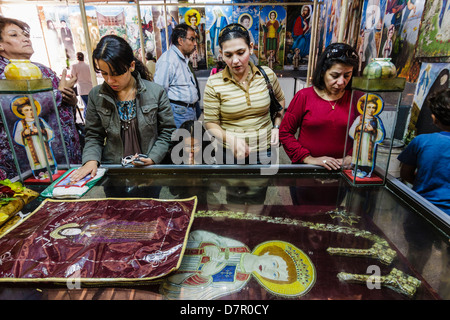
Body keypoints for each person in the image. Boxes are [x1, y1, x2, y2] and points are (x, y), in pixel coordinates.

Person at [69, 35, 176, 183]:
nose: (110, 80)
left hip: (149, 171)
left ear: (131, 66)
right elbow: (94, 135)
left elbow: (167, 131)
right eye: (104, 73)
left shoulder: (155, 92)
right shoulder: (96, 95)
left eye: (116, 73)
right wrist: (91, 160)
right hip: (114, 171)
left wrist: (153, 157)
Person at [0, 16, 81, 180]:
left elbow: (61, 104)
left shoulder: (42, 70)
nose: (25, 39)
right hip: (25, 164)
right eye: (14, 35)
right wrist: (58, 94)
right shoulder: (3, 74)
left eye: (25, 34)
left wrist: (70, 99)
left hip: (63, 157)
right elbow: (12, 109)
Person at [203, 23, 285, 164]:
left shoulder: (267, 75)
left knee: (260, 185)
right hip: (229, 152)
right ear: (221, 54)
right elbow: (211, 123)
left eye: (241, 53)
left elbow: (280, 101)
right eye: (228, 55)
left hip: (264, 150)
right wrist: (231, 139)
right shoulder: (214, 83)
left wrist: (276, 126)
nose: (235, 61)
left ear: (251, 48)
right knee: (233, 185)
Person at [279, 42, 360, 170]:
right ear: (322, 72)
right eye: (335, 75)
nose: (341, 82)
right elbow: (285, 132)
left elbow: (366, 135)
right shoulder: (304, 96)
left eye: (347, 75)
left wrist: (352, 156)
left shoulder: (357, 99)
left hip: (343, 172)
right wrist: (309, 159)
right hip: (308, 170)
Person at [398, 88, 450, 215]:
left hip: (421, 208)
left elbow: (405, 173)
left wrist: (425, 183)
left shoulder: (421, 141)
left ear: (434, 118)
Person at [153, 23, 200, 128]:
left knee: (192, 142)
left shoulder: (182, 59)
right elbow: (159, 92)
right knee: (181, 143)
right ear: (180, 40)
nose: (195, 43)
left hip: (189, 110)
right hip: (178, 113)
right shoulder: (168, 60)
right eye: (192, 39)